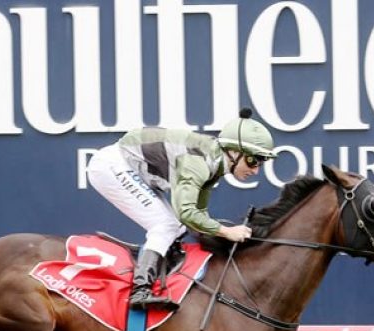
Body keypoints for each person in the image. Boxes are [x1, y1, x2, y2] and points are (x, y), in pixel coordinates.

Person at [86, 108, 277, 310]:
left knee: (177, 227)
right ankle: (140, 290)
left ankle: (157, 273)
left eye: (260, 163)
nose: (255, 170)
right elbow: (186, 213)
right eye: (253, 160)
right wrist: (226, 231)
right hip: (112, 165)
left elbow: (198, 216)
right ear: (234, 152)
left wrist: (223, 234)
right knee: (166, 226)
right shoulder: (198, 163)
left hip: (131, 165)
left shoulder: (214, 164)